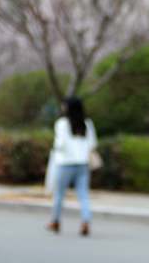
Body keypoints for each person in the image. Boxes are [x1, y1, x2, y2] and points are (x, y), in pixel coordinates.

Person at [47, 97, 97, 236]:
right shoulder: (87, 123)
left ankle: (55, 221)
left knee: (59, 194)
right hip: (82, 163)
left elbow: (60, 145)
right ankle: (85, 221)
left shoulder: (62, 123)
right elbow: (92, 144)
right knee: (83, 194)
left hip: (64, 163)